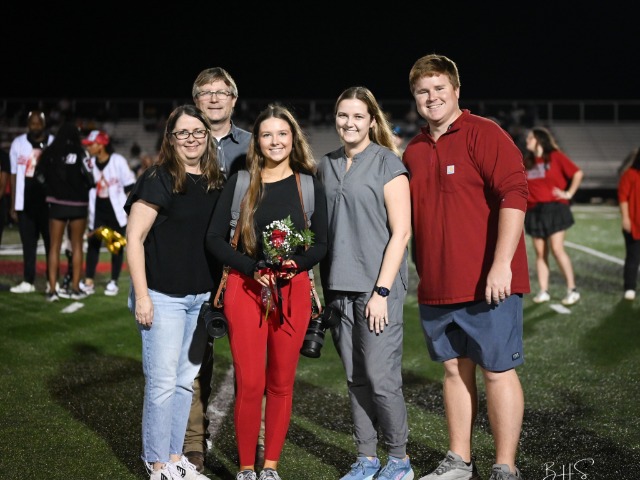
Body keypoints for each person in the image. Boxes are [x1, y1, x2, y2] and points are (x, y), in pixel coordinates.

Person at [403, 54, 529, 480]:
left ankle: (505, 466)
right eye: (422, 91)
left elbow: (515, 193)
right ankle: (460, 461)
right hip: (437, 284)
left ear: (456, 90)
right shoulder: (413, 150)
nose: (431, 97)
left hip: (489, 283)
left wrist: (501, 264)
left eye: (439, 88)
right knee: (454, 370)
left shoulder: (485, 132)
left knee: (497, 371)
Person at [205, 103, 327, 480]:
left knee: (280, 383)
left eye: (282, 134)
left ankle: (270, 466)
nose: (275, 141)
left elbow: (321, 243)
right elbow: (214, 238)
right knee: (250, 383)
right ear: (257, 141)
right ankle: (246, 467)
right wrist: (250, 267)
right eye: (267, 134)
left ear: (293, 138)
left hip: (292, 292)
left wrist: (295, 264)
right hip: (245, 288)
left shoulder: (309, 185)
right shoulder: (241, 182)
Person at [317, 87, 413, 480]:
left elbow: (402, 232)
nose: (349, 123)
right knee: (355, 377)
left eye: (358, 116)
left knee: (380, 377)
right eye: (343, 115)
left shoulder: (388, 163)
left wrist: (382, 292)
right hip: (337, 288)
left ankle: (400, 460)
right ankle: (367, 458)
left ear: (372, 121)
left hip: (378, 288)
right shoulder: (325, 165)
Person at [124, 104, 224, 480]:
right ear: (171, 138)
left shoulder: (214, 180)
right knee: (163, 383)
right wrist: (142, 296)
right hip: (162, 296)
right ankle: (157, 463)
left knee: (184, 383)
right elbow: (134, 238)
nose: (191, 139)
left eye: (198, 132)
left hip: (199, 299)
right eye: (183, 133)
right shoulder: (159, 177)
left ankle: (174, 456)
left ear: (207, 136)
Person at [183, 66, 253, 473]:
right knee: (195, 357)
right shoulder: (183, 140)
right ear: (196, 101)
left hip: (243, 263)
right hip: (197, 261)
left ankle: (255, 440)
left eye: (221, 91)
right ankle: (194, 441)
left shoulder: (253, 143)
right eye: (205, 92)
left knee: (251, 356)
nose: (213, 98)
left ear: (233, 99)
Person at [523, 126, 584, 306]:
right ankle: (544, 290)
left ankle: (572, 289)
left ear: (540, 140)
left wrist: (568, 193)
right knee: (540, 253)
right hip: (534, 210)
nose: (527, 141)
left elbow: (577, 173)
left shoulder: (556, 157)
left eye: (530, 138)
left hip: (555, 208)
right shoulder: (527, 161)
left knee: (557, 249)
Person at [35, 122, 94, 301]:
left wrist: (50, 190)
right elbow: (90, 178)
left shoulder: (50, 152)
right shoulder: (81, 152)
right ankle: (75, 288)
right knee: (77, 246)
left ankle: (52, 290)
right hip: (78, 204)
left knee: (54, 246)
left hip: (57, 203)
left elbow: (38, 175)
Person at [82, 129, 136, 296]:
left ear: (101, 145)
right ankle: (89, 280)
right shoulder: (89, 163)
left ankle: (113, 281)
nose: (88, 147)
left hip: (116, 212)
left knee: (116, 246)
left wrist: (132, 211)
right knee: (93, 245)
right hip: (97, 211)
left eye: (91, 144)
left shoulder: (118, 161)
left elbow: (130, 186)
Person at [9, 110, 54, 293]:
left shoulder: (53, 142)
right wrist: (13, 204)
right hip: (25, 203)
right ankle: (28, 281)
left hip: (48, 203)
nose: (35, 126)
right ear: (28, 124)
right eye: (32, 123)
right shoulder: (18, 143)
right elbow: (13, 175)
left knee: (51, 244)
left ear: (44, 124)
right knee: (28, 244)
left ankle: (53, 281)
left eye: (38, 123)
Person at [618, 147, 640, 301]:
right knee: (633, 257)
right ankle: (630, 287)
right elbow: (623, 198)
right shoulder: (630, 174)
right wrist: (626, 218)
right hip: (635, 224)